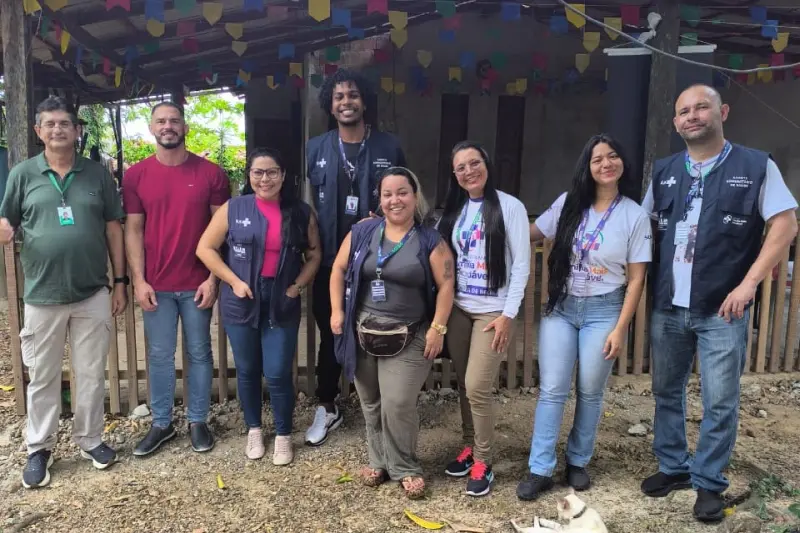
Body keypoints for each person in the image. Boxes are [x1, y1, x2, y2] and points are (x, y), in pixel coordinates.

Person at [641, 84, 798, 522]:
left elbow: (785, 225)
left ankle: (709, 482)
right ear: (676, 122)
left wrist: (749, 283)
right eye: (684, 111)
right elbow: (641, 227)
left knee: (720, 400)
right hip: (668, 305)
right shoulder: (665, 170)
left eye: (701, 107)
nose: (692, 116)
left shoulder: (756, 165)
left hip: (722, 309)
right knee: (665, 391)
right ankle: (673, 466)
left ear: (722, 112)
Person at [0, 96, 127, 488]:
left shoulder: (97, 175)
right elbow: (8, 220)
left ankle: (90, 440)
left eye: (65, 123)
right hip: (42, 294)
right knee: (43, 375)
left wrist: (120, 282)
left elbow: (114, 228)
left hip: (92, 292)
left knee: (90, 373)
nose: (58, 129)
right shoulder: (22, 174)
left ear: (76, 130)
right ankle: (39, 447)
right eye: (50, 123)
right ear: (38, 131)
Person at [516, 134, 651, 501]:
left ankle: (577, 461)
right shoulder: (569, 203)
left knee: (590, 390)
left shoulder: (634, 215)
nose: (606, 164)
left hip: (605, 310)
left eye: (612, 156)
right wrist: (495, 223)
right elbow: (530, 233)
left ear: (622, 162)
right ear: (587, 167)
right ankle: (540, 468)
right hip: (562, 307)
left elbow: (637, 278)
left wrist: (620, 328)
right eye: (597, 159)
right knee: (552, 389)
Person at [330, 167, 454, 499]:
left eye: (402, 193)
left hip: (411, 332)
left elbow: (446, 285)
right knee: (371, 401)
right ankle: (379, 461)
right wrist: (337, 311)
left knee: (397, 402)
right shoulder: (363, 232)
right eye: (387, 194)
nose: (394, 200)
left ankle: (405, 466)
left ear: (415, 196)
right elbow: (338, 268)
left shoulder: (429, 239)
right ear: (380, 199)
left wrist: (438, 327)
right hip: (363, 331)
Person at [196, 148, 321, 464]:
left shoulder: (300, 212)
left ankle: (283, 434)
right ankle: (254, 429)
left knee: (277, 372)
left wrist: (297, 286)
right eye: (258, 172)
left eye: (272, 172)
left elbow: (314, 254)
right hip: (241, 300)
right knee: (248, 369)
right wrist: (232, 281)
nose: (265, 179)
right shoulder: (233, 208)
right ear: (249, 176)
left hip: (282, 299)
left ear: (283, 175)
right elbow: (205, 248)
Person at [305, 69, 406, 446]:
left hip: (379, 262)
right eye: (338, 97)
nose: (346, 102)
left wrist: (381, 219)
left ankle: (380, 408)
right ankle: (327, 405)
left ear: (364, 101)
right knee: (331, 330)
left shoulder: (388, 146)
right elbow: (307, 205)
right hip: (329, 262)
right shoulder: (315, 148)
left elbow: (405, 197)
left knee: (379, 327)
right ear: (330, 106)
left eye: (352, 95)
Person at [123, 102, 231, 457]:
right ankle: (162, 423)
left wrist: (214, 279)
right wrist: (139, 280)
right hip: (156, 284)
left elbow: (221, 230)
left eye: (174, 121)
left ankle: (198, 420)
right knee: (159, 355)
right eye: (161, 121)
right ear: (151, 128)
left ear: (185, 128)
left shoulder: (211, 174)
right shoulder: (136, 176)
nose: (167, 126)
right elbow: (133, 229)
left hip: (197, 283)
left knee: (200, 352)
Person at [437, 141, 530, 497]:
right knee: (465, 383)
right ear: (454, 174)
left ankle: (484, 460)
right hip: (460, 309)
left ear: (486, 165)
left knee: (477, 385)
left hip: (493, 311)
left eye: (474, 163)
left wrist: (509, 314)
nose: (468, 171)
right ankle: (469, 445)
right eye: (460, 167)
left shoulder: (510, 207)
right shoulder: (455, 209)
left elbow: (521, 264)